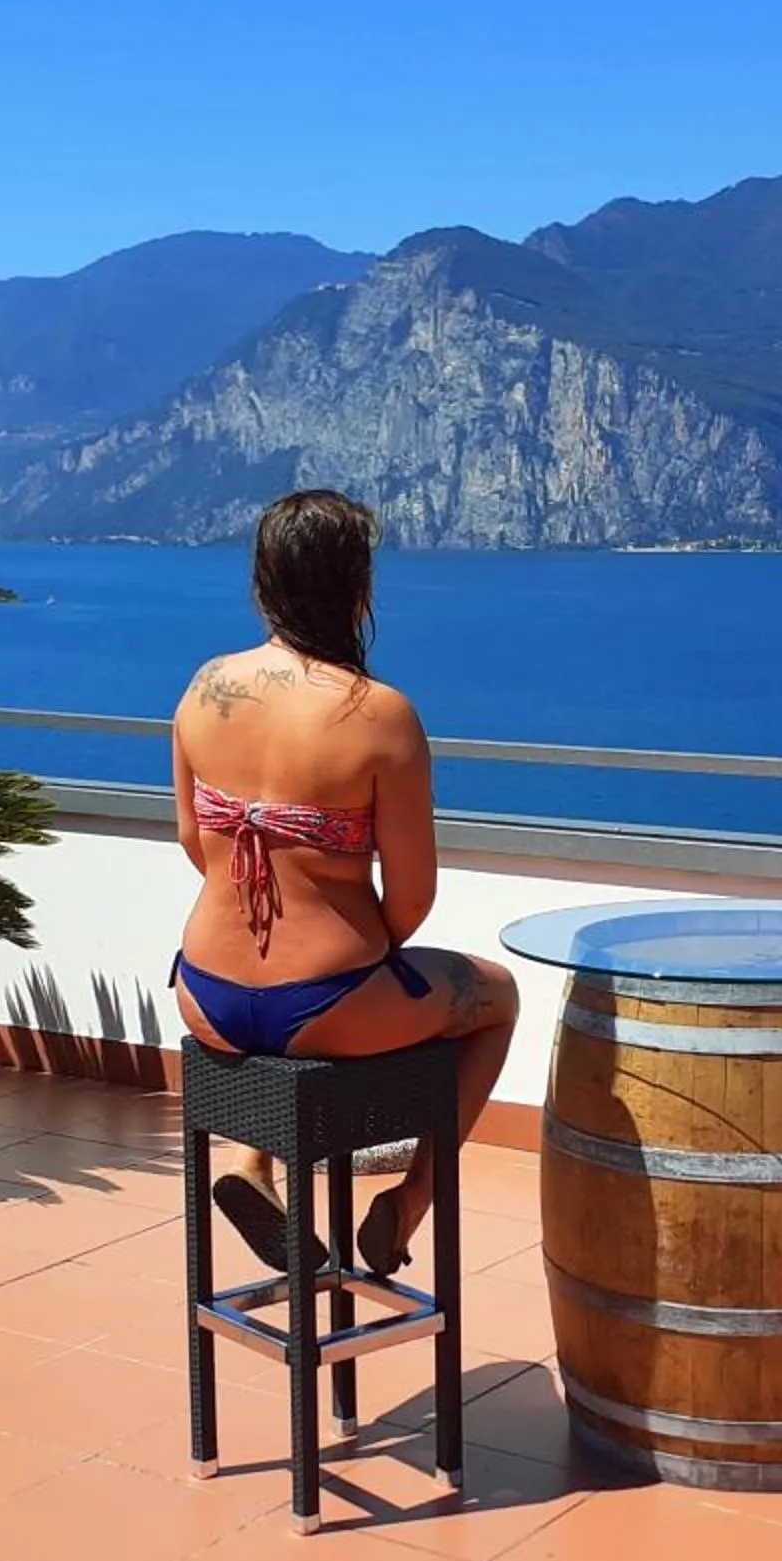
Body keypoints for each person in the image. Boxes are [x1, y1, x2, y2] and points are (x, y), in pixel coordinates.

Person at [170, 488, 520, 1278]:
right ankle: (408, 1203)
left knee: (280, 1015)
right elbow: (413, 895)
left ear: (263, 582)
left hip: (207, 994)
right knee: (498, 998)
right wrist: (362, 950)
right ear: (356, 589)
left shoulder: (203, 689)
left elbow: (195, 841)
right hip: (328, 1003)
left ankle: (250, 1156)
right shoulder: (381, 715)